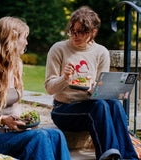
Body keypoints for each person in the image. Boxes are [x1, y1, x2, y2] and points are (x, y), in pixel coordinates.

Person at [44, 6, 139, 160]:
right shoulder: (58, 49)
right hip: (64, 109)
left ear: (93, 32)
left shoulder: (101, 52)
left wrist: (92, 88)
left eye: (80, 32)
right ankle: (108, 157)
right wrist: (65, 78)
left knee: (114, 103)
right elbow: (49, 88)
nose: (74, 35)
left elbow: (101, 91)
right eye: (72, 30)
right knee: (99, 106)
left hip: (92, 107)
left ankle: (128, 157)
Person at [0, 16, 71, 160]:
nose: (26, 43)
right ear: (12, 39)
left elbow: (14, 106)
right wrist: (2, 119)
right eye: (24, 38)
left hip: (11, 134)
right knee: (39, 137)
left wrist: (24, 124)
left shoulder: (16, 65)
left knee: (57, 135)